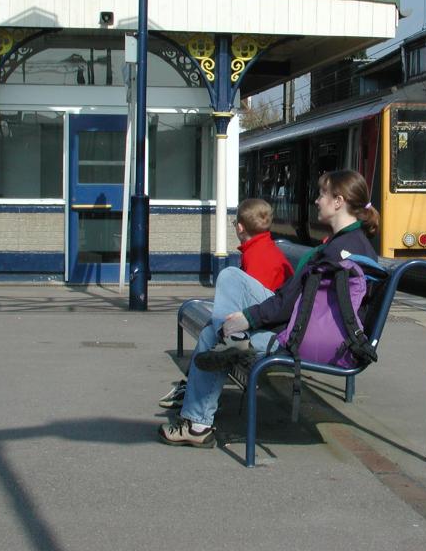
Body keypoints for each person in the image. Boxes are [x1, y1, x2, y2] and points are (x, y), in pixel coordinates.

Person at [158, 169, 380, 448]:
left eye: (322, 194)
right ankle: (227, 349)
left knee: (213, 331)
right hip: (307, 325)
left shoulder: (335, 255)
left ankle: (198, 423)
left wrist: (249, 318)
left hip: (299, 336)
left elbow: (289, 304)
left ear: (338, 201)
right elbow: (296, 299)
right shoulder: (348, 244)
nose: (316, 200)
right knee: (228, 291)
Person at [158, 198, 293, 410]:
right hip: (272, 316)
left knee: (214, 331)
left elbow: (255, 300)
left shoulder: (258, 256)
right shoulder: (264, 248)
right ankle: (194, 387)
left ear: (240, 227)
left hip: (272, 326)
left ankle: (196, 392)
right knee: (214, 329)